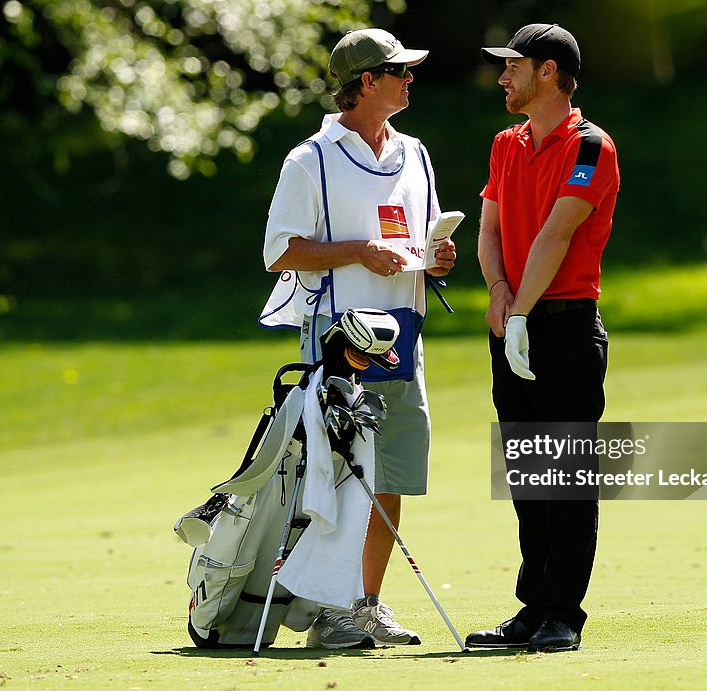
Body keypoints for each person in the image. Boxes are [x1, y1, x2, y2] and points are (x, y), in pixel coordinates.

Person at [259, 28, 456, 649]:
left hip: (405, 331)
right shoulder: (309, 159)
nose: (409, 80)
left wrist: (438, 255)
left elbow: (417, 239)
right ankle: (328, 612)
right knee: (340, 474)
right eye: (399, 71)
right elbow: (280, 253)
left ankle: (365, 605)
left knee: (390, 472)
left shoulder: (415, 153)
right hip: (339, 336)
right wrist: (357, 254)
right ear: (366, 83)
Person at [467, 23, 619, 653]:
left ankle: (562, 613)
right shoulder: (507, 143)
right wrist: (500, 292)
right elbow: (490, 229)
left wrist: (523, 311)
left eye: (514, 66)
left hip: (565, 328)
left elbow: (557, 236)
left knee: (565, 477)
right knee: (527, 474)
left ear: (549, 71)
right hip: (515, 321)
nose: (504, 77)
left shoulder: (590, 147)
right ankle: (532, 609)